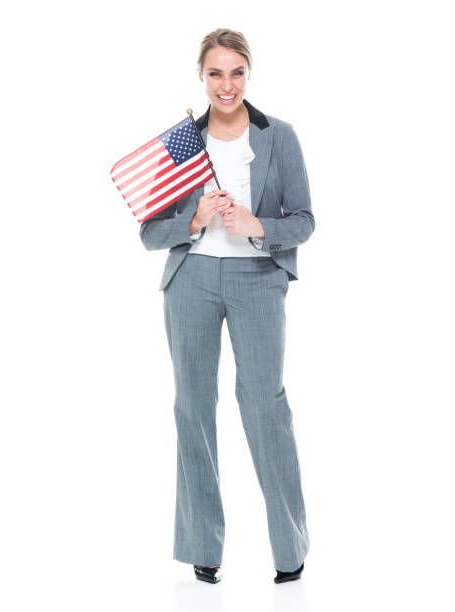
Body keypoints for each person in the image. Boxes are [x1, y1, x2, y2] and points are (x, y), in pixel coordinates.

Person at [139, 28, 315, 585]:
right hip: (191, 278)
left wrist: (257, 224)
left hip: (259, 277)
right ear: (201, 76)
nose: (226, 84)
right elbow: (149, 233)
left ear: (248, 74)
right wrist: (194, 222)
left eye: (236, 72)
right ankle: (202, 546)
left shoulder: (279, 137)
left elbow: (305, 220)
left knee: (265, 405)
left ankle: (290, 548)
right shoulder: (182, 143)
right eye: (215, 73)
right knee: (192, 406)